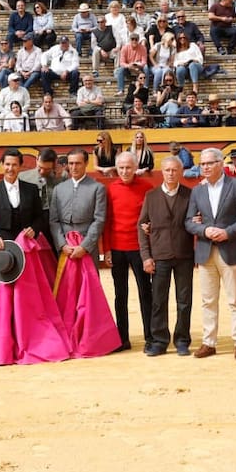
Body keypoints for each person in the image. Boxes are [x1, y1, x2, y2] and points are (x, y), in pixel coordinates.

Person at [185, 147, 236, 359]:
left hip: (230, 248)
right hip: (206, 250)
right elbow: (189, 221)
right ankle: (209, 342)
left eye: (209, 163)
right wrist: (204, 230)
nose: (205, 167)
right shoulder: (197, 190)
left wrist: (227, 233)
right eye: (202, 164)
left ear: (219, 164)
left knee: (235, 299)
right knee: (208, 300)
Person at [138, 155, 195, 356]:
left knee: (184, 300)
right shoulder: (151, 196)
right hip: (160, 255)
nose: (171, 174)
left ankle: (182, 340)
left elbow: (196, 220)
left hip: (184, 255)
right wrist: (146, 256)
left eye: (175, 170)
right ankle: (159, 341)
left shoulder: (190, 195)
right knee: (158, 300)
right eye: (167, 170)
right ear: (162, 172)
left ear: (180, 172)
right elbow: (141, 227)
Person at [0, 147, 47, 301]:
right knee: (1, 290)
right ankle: (2, 324)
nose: (10, 168)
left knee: (26, 290)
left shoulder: (31, 189)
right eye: (8, 164)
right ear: (3, 165)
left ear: (20, 166)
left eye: (14, 165)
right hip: (2, 245)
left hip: (26, 246)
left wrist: (34, 229)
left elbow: (40, 217)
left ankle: (23, 324)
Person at [104, 151, 155, 352]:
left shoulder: (147, 188)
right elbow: (107, 221)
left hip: (139, 249)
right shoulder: (111, 189)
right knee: (120, 294)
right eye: (121, 168)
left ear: (136, 168)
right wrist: (106, 249)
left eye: (128, 167)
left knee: (145, 293)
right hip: (117, 248)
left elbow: (152, 218)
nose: (125, 171)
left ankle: (150, 337)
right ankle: (123, 338)